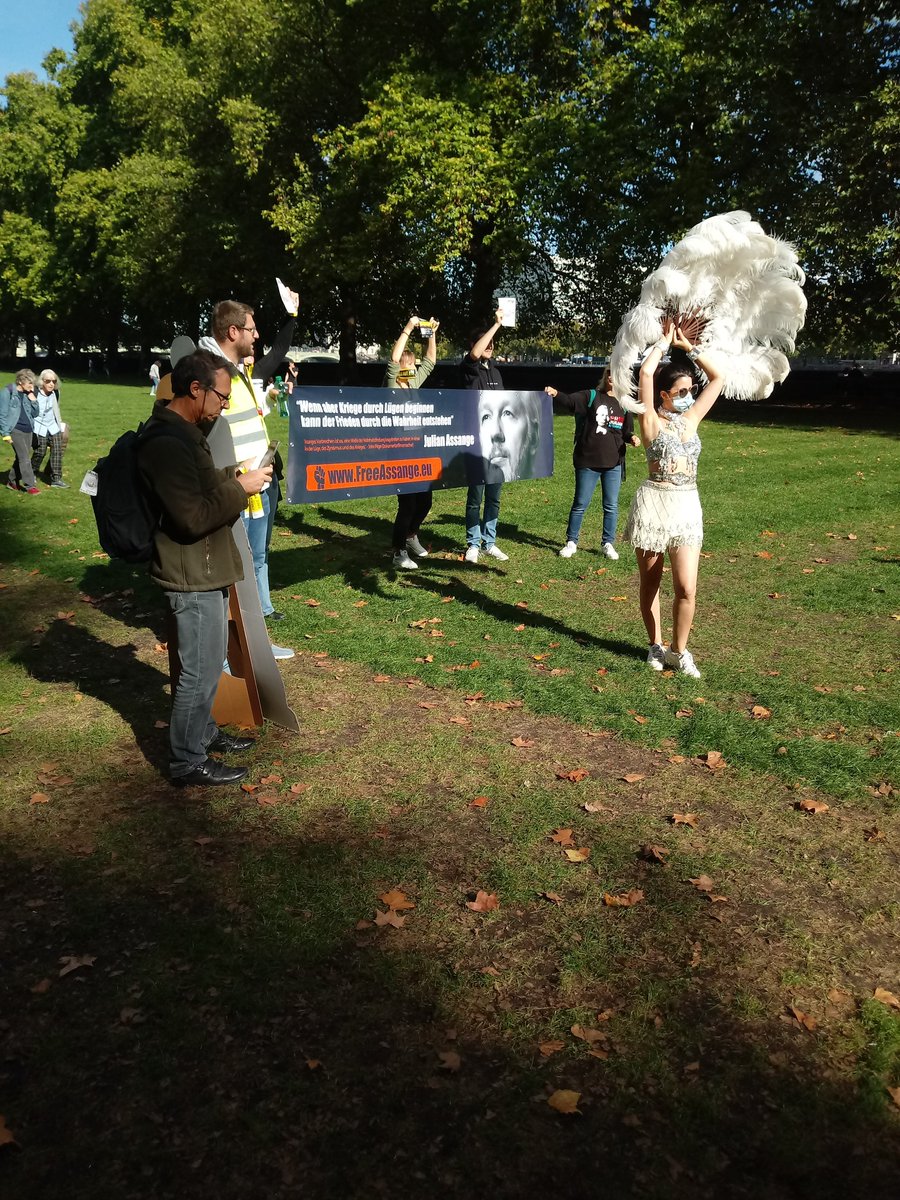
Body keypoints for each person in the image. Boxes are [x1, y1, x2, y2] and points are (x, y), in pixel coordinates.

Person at [137, 349, 273, 786]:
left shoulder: (185, 432)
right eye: (221, 396)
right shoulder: (164, 443)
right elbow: (191, 515)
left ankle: (204, 732)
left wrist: (237, 475)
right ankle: (186, 760)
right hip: (189, 572)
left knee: (208, 660)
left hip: (204, 567)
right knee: (198, 667)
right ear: (195, 389)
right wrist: (241, 489)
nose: (225, 405)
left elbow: (203, 484)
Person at [622, 320, 725, 678]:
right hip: (655, 503)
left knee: (687, 587)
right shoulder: (649, 420)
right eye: (681, 391)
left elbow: (718, 380)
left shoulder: (691, 420)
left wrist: (689, 347)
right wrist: (663, 343)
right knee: (651, 582)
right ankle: (655, 645)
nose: (689, 396)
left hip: (686, 506)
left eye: (690, 390)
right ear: (664, 395)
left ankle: (680, 652)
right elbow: (647, 371)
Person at [198, 297, 298, 660]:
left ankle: (256, 639)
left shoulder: (238, 370)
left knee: (255, 558)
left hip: (258, 482)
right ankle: (226, 651)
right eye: (252, 330)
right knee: (230, 569)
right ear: (233, 331)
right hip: (232, 487)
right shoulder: (208, 370)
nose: (257, 337)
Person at [545, 369, 640, 560]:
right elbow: (571, 402)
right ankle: (571, 542)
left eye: (617, 372)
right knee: (580, 504)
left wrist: (632, 438)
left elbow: (626, 431)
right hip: (587, 460)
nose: (612, 376)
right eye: (609, 372)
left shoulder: (625, 403)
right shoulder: (592, 396)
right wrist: (556, 394)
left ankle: (608, 543)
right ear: (605, 376)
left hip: (613, 463)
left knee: (611, 505)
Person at [384, 315, 440, 569]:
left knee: (425, 500)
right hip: (400, 453)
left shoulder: (413, 385)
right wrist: (408, 327)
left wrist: (431, 333)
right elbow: (394, 360)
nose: (416, 369)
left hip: (420, 451)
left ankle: (411, 536)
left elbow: (431, 361)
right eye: (412, 365)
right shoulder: (392, 388)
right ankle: (398, 552)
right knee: (407, 504)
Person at [463, 306, 509, 562]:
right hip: (477, 442)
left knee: (494, 496)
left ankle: (489, 541)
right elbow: (474, 354)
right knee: (475, 497)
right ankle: (473, 543)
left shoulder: (496, 372)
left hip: (498, 444)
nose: (490, 346)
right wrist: (496, 324)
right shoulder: (470, 369)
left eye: (493, 343)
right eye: (486, 342)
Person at [1, 370, 40, 494]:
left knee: (20, 458)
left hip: (28, 430)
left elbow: (35, 414)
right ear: (20, 381)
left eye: (32, 383)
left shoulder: (28, 394)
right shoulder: (7, 392)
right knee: (25, 458)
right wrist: (5, 433)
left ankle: (12, 481)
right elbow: (2, 414)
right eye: (29, 383)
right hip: (15, 430)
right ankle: (30, 486)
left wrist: (34, 400)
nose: (31, 386)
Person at [31, 370, 69, 488]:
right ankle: (31, 472)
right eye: (48, 381)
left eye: (54, 381)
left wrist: (60, 424)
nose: (51, 384)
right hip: (38, 426)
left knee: (57, 451)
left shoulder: (55, 393)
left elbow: (55, 409)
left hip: (53, 426)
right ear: (42, 382)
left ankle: (56, 479)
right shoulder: (35, 393)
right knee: (40, 452)